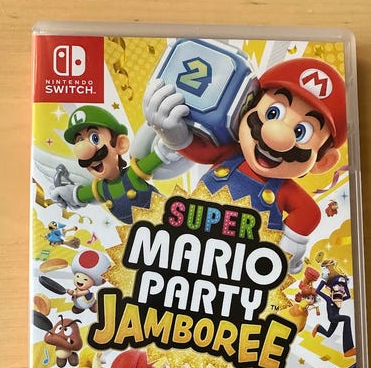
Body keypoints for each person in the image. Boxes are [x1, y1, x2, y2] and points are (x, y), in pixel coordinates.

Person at [144, 57, 347, 272]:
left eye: (301, 132)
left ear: (322, 161)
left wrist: (288, 244)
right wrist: (174, 135)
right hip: (190, 245)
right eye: (273, 113)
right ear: (246, 108)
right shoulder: (230, 153)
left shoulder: (284, 190)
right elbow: (201, 151)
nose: (276, 136)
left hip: (239, 267)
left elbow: (309, 213)